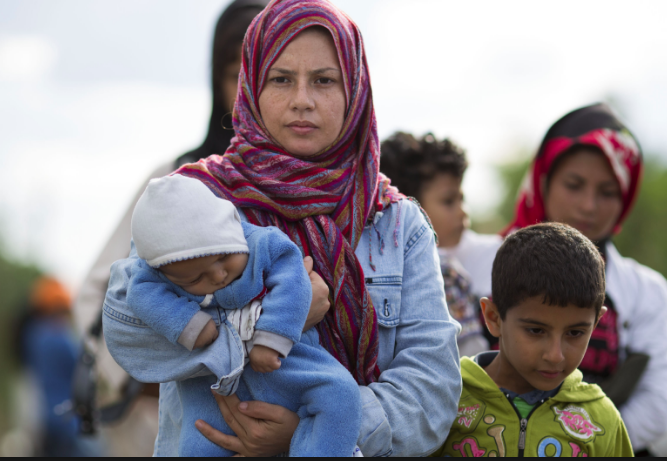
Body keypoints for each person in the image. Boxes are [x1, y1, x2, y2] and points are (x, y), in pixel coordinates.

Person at [103, 0, 462, 456]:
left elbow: (432, 391)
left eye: (324, 80)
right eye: (281, 79)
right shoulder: (196, 200)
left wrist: (315, 431)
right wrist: (269, 323)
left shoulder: (395, 222)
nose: (302, 100)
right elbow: (129, 331)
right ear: (251, 86)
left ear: (355, 90)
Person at [71, 1, 268, 451]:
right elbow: (96, 293)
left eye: (266, 75)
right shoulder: (178, 180)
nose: (248, 94)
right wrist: (141, 377)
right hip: (186, 431)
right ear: (216, 81)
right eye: (235, 75)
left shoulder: (321, 192)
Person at [105, 175, 361, 456]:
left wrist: (271, 338)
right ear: (165, 274)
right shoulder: (155, 268)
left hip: (288, 364)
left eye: (224, 257)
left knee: (340, 394)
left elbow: (293, 278)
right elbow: (140, 293)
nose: (218, 276)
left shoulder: (264, 244)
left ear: (234, 230)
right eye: (196, 278)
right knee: (198, 445)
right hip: (213, 389)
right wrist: (188, 324)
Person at [493, 103, 667, 454]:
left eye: (607, 192)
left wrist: (575, 444)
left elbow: (655, 408)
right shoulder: (482, 263)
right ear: (544, 180)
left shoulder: (646, 291)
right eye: (574, 185)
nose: (589, 205)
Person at [436, 223, 634, 457]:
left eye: (575, 333)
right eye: (536, 330)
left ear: (597, 322)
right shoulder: (446, 398)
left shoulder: (601, 419)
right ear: (494, 318)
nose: (555, 355)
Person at [380, 132, 488, 357]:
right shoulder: (445, 272)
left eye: (462, 199)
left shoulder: (378, 265)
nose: (463, 212)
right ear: (408, 208)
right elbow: (471, 353)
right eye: (449, 201)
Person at [13, 277, 102, 457]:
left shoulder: (32, 337)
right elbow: (85, 367)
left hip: (44, 423)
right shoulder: (59, 339)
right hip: (69, 425)